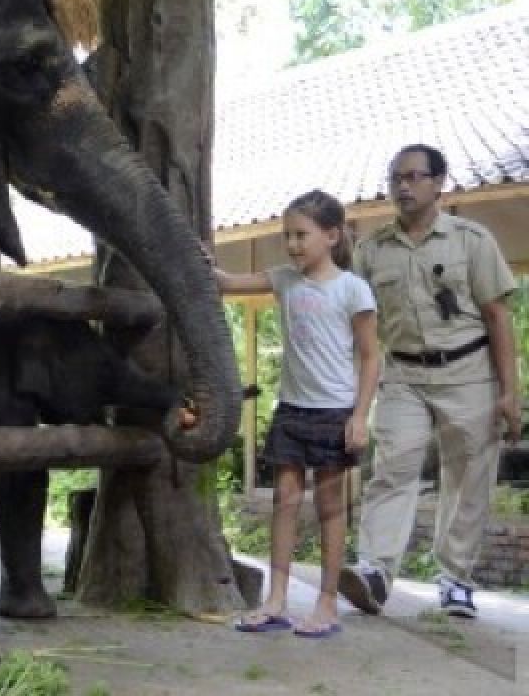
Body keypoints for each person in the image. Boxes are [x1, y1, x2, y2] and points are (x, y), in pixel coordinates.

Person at [338, 144, 521, 619]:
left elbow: (498, 317)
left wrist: (508, 392)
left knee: (467, 478)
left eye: (415, 176)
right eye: (396, 177)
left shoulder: (471, 240)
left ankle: (456, 577)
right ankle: (375, 572)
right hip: (402, 374)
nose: (403, 185)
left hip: (468, 373)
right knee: (393, 466)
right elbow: (355, 326)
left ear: (439, 183)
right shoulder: (371, 251)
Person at [214, 189, 380, 638]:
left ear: (331, 235)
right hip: (291, 409)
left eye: (301, 235)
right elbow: (226, 282)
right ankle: (276, 599)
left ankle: (327, 604)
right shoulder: (285, 280)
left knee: (329, 508)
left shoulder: (352, 288)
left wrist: (360, 416)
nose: (292, 245)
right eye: (287, 236)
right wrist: (201, 261)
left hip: (334, 412)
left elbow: (370, 357)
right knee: (284, 503)